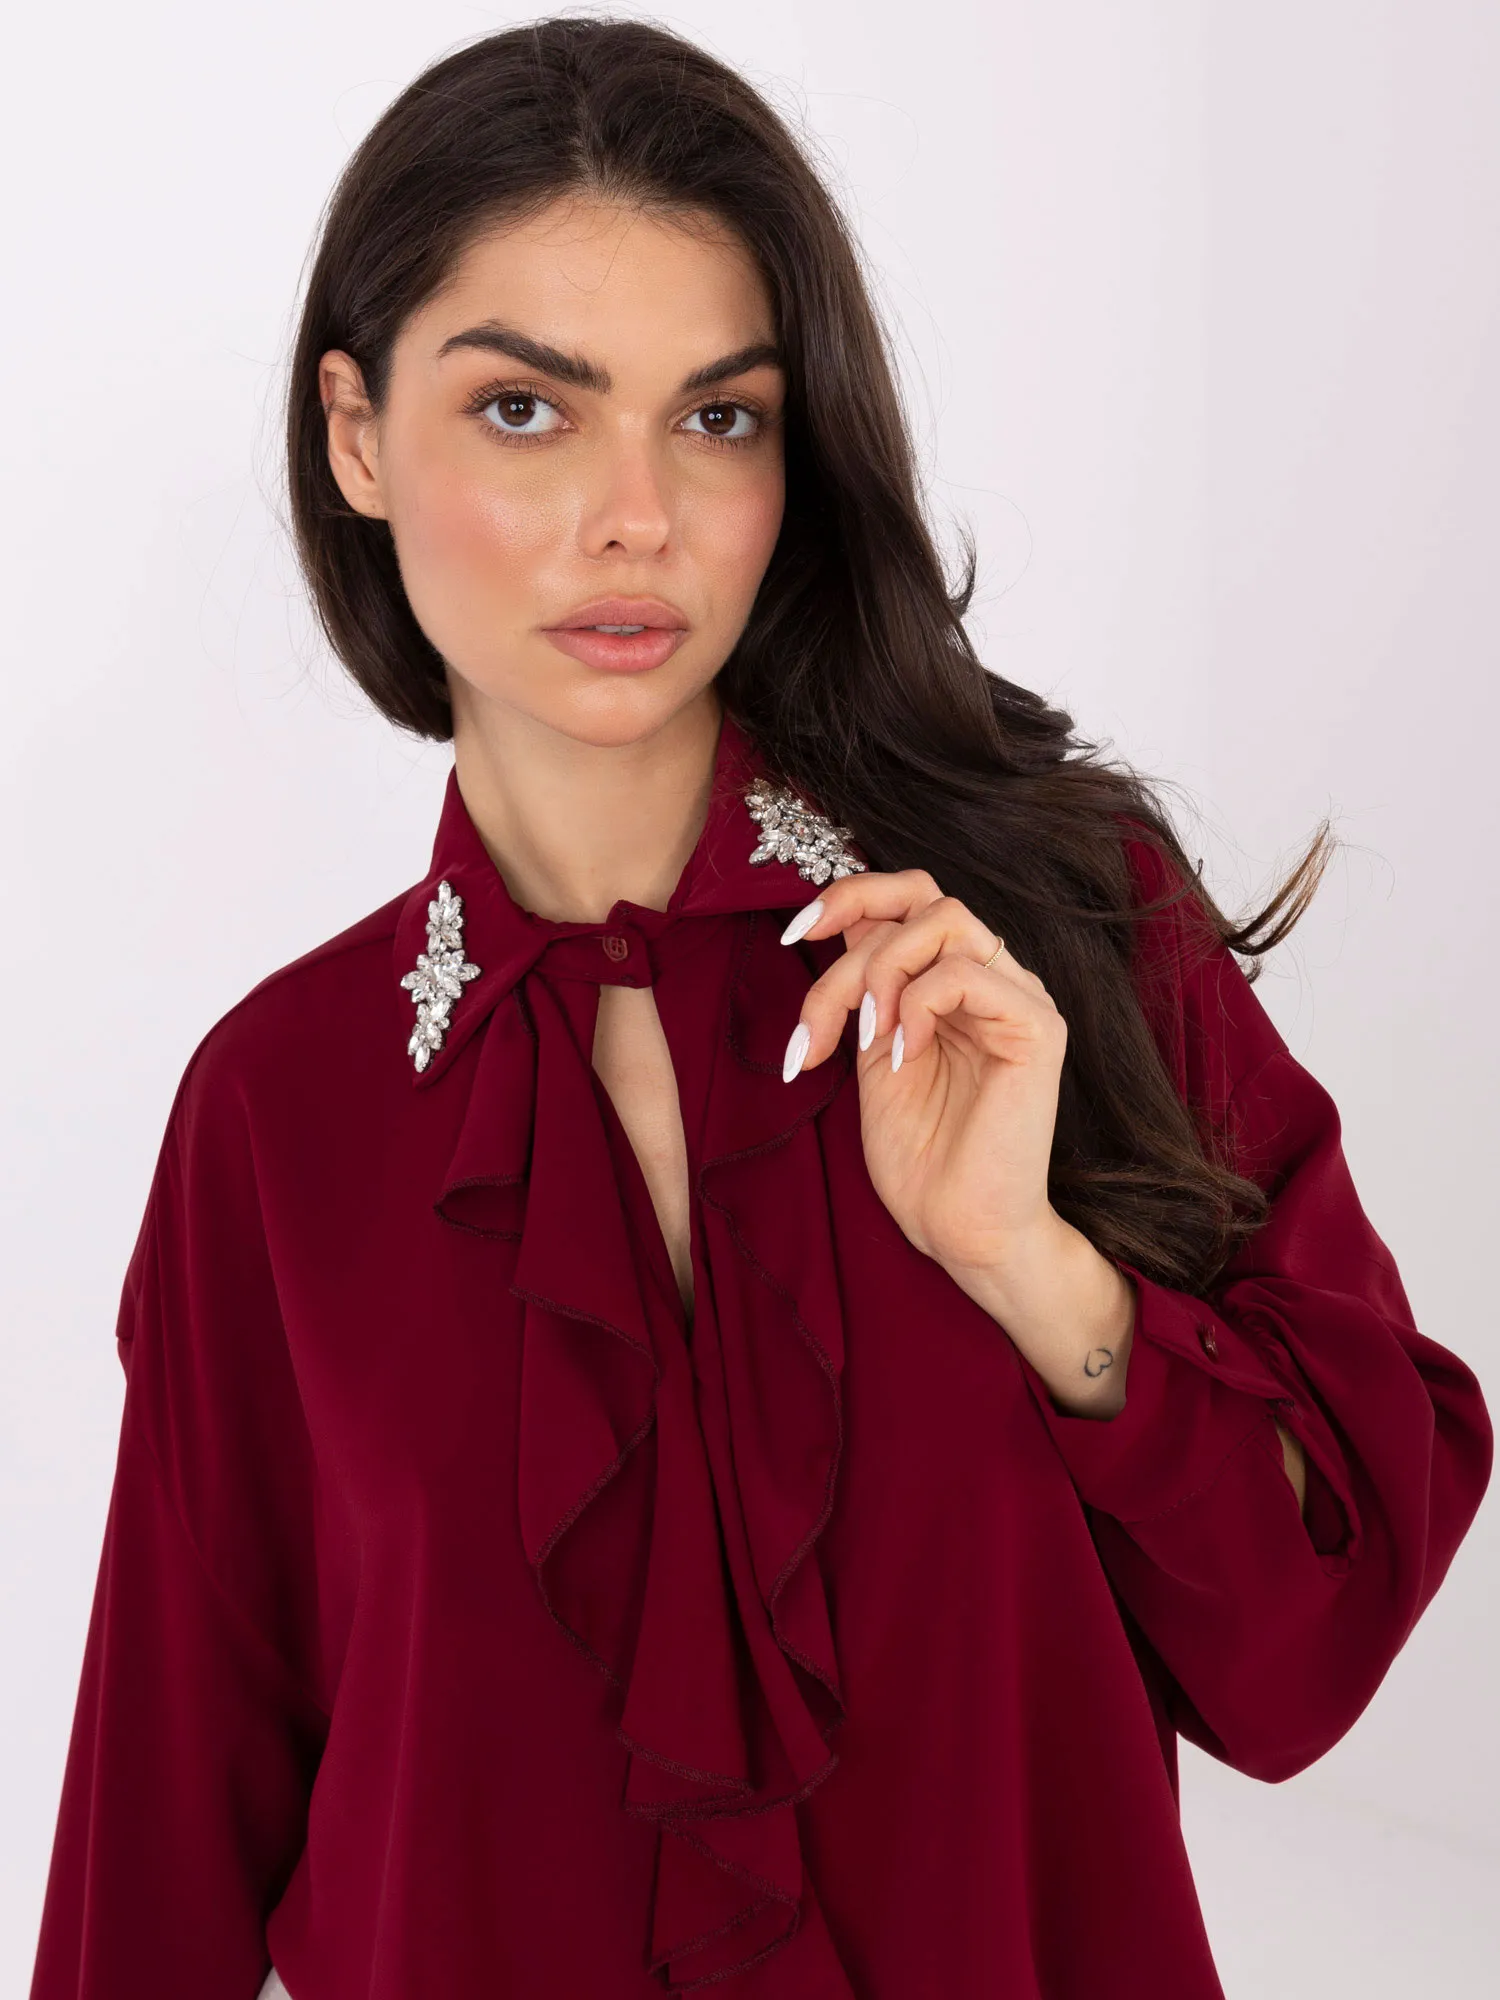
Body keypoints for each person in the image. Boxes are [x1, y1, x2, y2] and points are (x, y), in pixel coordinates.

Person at [27, 17, 1493, 2000]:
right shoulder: (277, 1115)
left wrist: (1031, 1262)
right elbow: (159, 1847)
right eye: (527, 411)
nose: (635, 514)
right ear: (357, 436)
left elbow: (1311, 1653)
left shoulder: (1041, 938)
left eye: (717, 417)